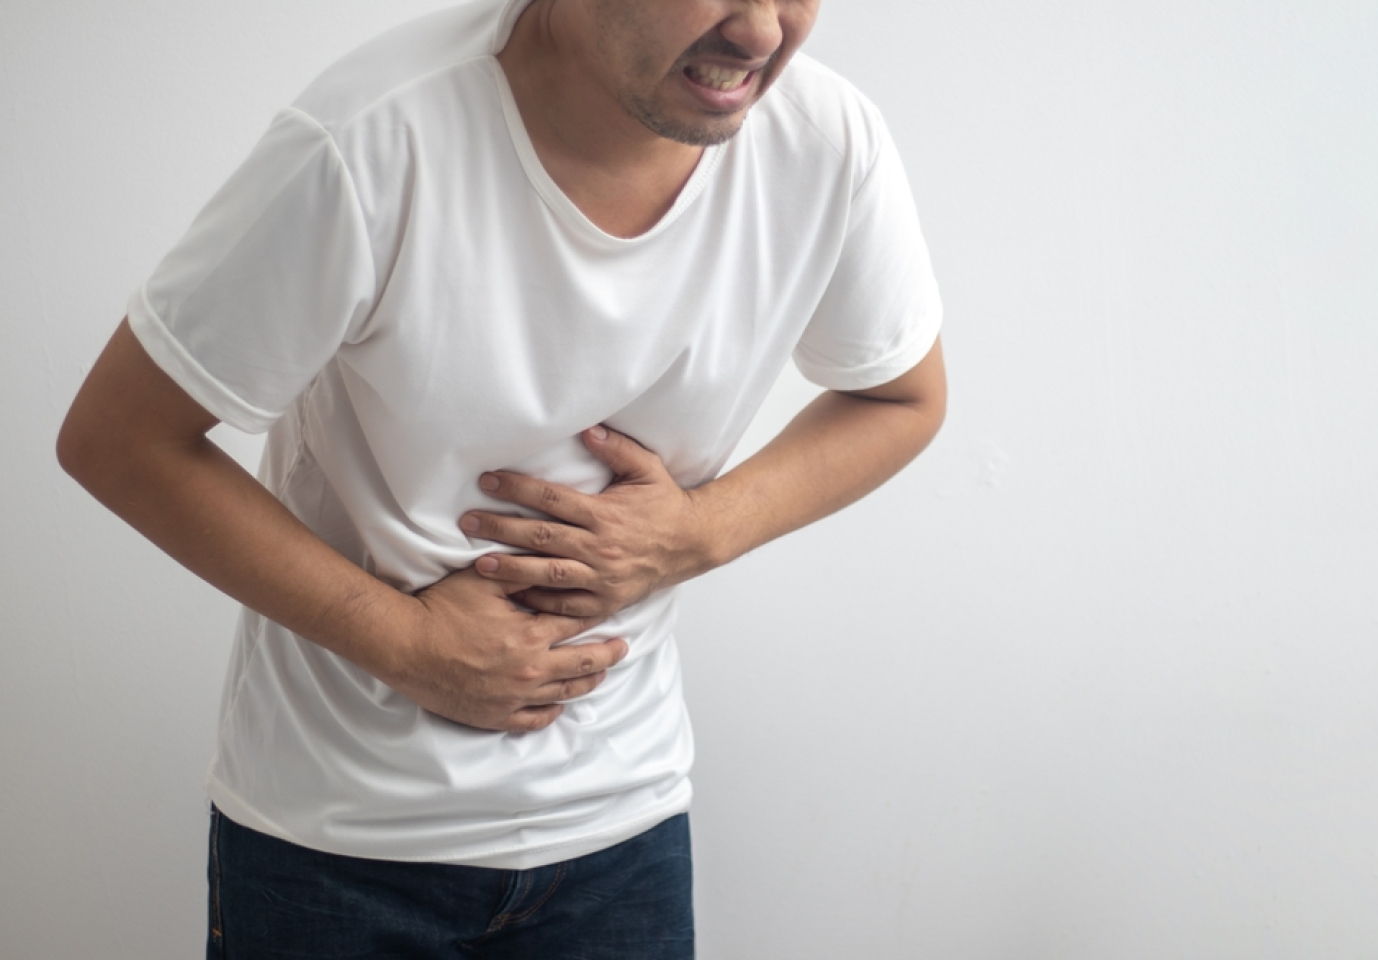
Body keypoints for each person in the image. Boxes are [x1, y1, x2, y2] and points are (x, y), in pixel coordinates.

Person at [57, 0, 946, 955]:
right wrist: (408, 642)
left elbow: (901, 398)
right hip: (338, 842)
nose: (765, 33)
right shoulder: (371, 139)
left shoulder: (825, 141)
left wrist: (698, 532)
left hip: (622, 831)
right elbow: (121, 437)